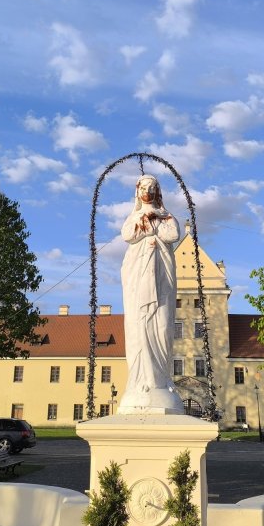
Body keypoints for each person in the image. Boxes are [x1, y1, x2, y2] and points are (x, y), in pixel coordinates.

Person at [117, 175, 184, 414]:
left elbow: (173, 234)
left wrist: (152, 225)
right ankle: (139, 382)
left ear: (158, 191)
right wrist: (148, 225)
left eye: (153, 187)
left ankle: (161, 380)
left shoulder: (168, 216)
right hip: (137, 276)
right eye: (144, 187)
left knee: (163, 326)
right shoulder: (133, 216)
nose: (149, 191)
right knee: (138, 325)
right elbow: (128, 235)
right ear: (138, 191)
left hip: (162, 278)